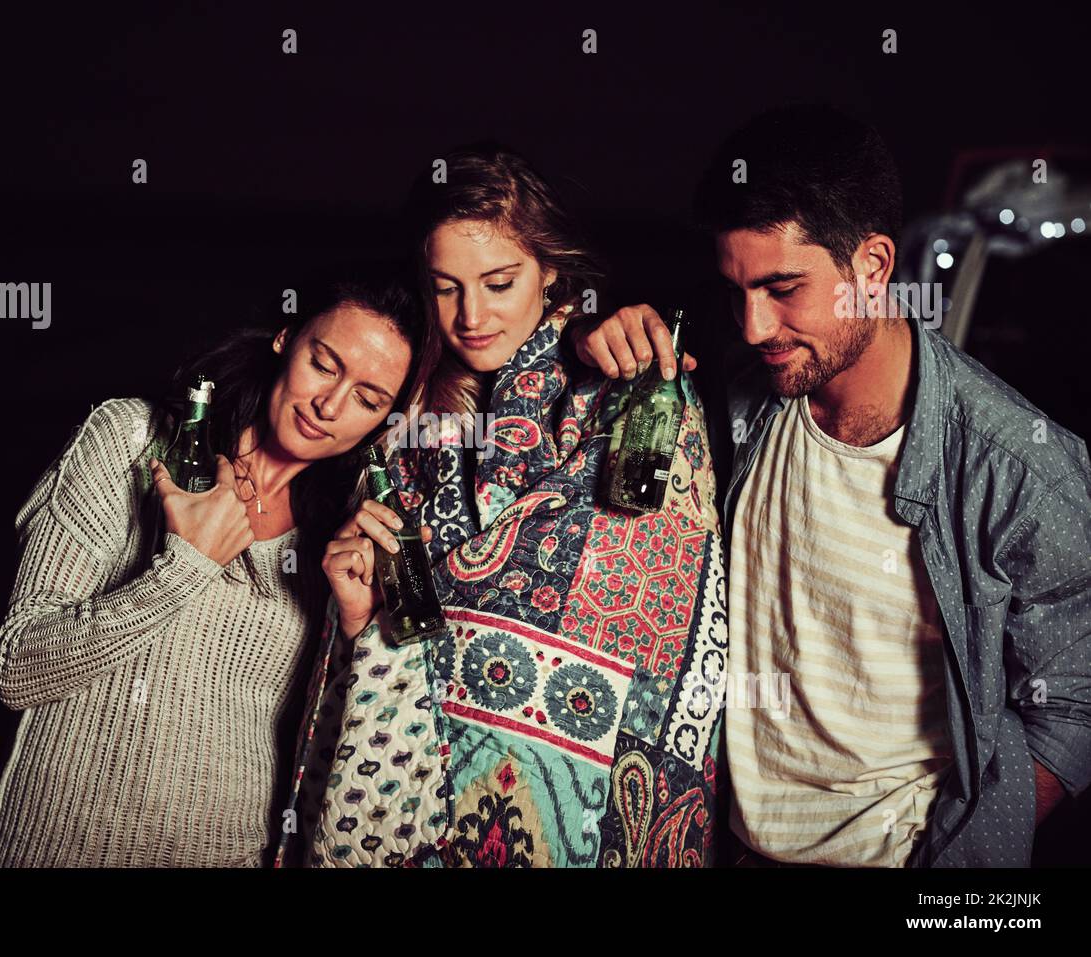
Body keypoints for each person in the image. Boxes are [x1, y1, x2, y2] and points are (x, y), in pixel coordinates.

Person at [575, 105, 1091, 867]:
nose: (754, 325)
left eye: (784, 287)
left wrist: (964, 851)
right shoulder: (740, 399)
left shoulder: (1014, 466)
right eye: (737, 289)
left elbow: (1075, 702)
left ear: (874, 266)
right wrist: (590, 343)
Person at [279, 146, 722, 868]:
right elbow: (389, 630)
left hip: (575, 806)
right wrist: (359, 616)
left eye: (499, 281)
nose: (472, 315)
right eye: (446, 287)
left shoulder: (626, 392)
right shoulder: (405, 428)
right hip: (412, 793)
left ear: (550, 270)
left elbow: (666, 630)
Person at [0, 268, 428, 867]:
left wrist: (357, 629)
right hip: (58, 849)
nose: (331, 405)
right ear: (286, 339)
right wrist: (183, 569)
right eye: (324, 364)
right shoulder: (131, 441)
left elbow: (335, 763)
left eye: (368, 399)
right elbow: (18, 670)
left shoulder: (340, 543)